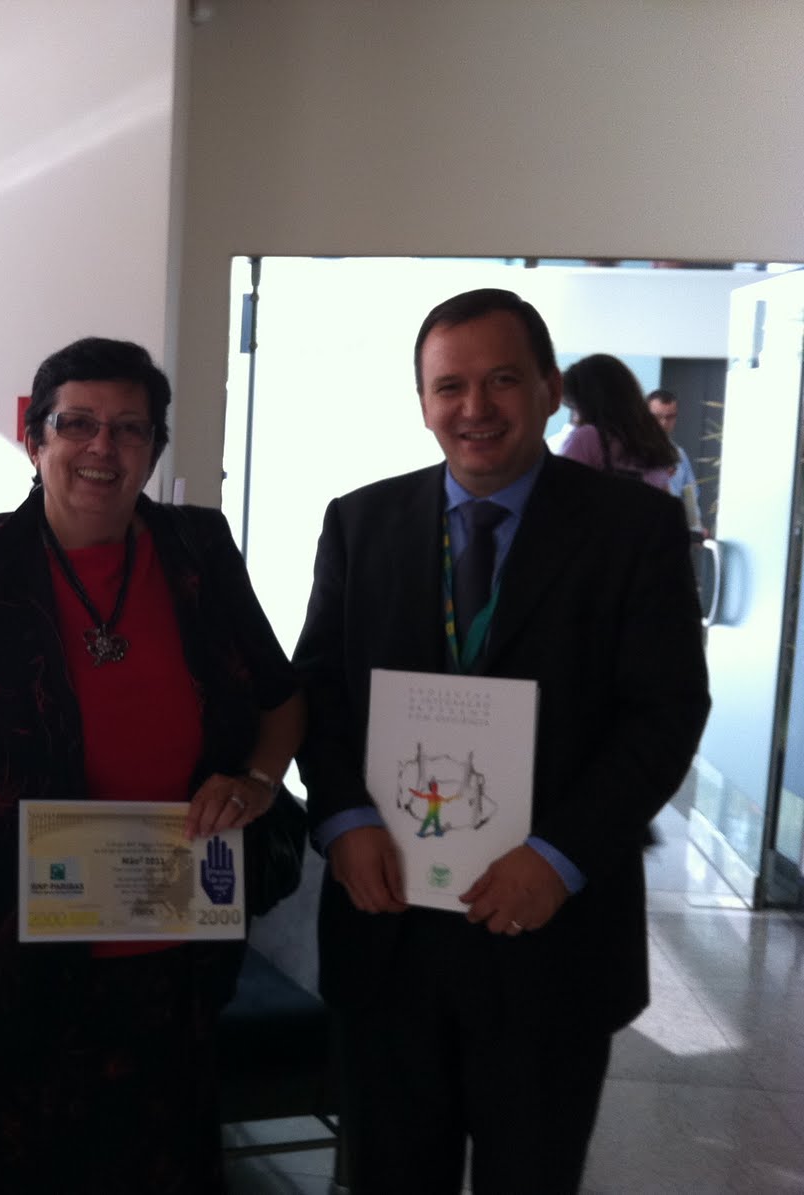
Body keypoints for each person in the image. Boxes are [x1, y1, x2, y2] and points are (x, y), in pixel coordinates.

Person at [293, 288, 710, 1193]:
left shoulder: (632, 529)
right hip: (389, 933)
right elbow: (316, 692)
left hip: (553, 938)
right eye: (450, 386)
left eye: (503, 380)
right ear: (423, 402)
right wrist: (343, 820)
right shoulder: (359, 522)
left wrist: (559, 855)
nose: (474, 407)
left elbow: (665, 711)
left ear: (551, 388)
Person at [0, 337, 307, 1194]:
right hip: (8, 951)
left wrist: (257, 780)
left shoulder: (198, 549)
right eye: (78, 423)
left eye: (130, 428)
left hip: (173, 955)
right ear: (35, 437)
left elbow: (280, 696)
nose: (103, 446)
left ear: (155, 448)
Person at [556, 353, 679, 491]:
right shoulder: (653, 442)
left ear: (588, 404)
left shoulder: (588, 438)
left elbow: (560, 491)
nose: (575, 418)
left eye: (576, 407)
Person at [646, 387, 704, 533]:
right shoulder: (631, 451)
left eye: (670, 417)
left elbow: (690, 495)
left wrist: (696, 528)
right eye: (657, 417)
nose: (663, 423)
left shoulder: (679, 454)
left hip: (673, 530)